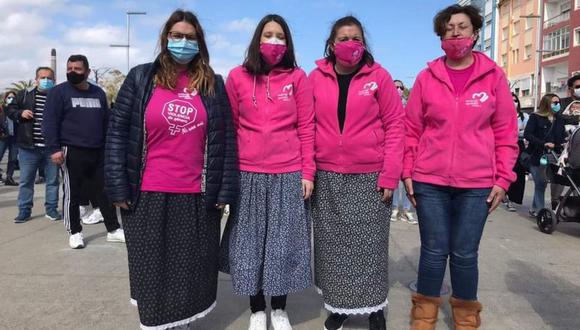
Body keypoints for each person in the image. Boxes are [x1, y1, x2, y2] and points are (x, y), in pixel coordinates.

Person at [104, 9, 238, 329]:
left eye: (190, 37)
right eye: (176, 36)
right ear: (165, 39)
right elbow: (117, 134)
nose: (182, 42)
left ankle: (182, 320)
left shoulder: (213, 85)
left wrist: (224, 190)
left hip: (196, 196)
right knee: (151, 270)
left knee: (190, 271)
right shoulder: (140, 78)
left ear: (200, 43)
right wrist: (116, 185)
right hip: (146, 194)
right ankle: (153, 323)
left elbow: (226, 141)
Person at [403, 5, 519, 329]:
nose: (456, 34)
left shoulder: (493, 77)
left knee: (465, 254)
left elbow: (506, 132)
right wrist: (408, 172)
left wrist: (503, 178)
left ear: (475, 33)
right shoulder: (427, 77)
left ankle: (466, 317)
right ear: (441, 36)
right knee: (434, 250)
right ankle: (424, 315)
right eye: (449, 28)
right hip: (430, 181)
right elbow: (411, 129)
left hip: (477, 184)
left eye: (462, 27)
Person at [309, 15, 404, 330]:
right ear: (332, 44)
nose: (351, 44)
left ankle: (374, 309)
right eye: (344, 38)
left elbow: (395, 126)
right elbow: (306, 127)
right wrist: (307, 171)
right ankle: (339, 307)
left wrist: (390, 175)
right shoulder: (315, 78)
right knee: (332, 246)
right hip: (328, 175)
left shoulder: (380, 77)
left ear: (364, 44)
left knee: (370, 247)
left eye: (357, 39)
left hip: (370, 175)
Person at [223, 14, 314, 330]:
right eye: (268, 35)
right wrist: (229, 175)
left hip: (288, 172)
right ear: (257, 40)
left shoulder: (298, 78)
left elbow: (306, 127)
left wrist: (308, 172)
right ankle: (257, 309)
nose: (274, 42)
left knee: (283, 242)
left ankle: (279, 307)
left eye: (280, 36)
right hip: (247, 173)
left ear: (287, 43)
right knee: (249, 243)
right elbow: (230, 128)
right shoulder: (236, 77)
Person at [42, 55, 124, 248]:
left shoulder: (98, 93)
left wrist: (109, 148)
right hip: (71, 150)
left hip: (98, 150)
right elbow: (49, 122)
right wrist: (54, 149)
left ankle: (113, 229)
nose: (72, 72)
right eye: (69, 68)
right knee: (73, 193)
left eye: (77, 69)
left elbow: (106, 122)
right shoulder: (58, 92)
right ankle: (75, 232)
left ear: (87, 72)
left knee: (104, 192)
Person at [5, 67, 61, 223]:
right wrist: (19, 113)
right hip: (28, 147)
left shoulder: (58, 95)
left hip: (52, 148)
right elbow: (9, 108)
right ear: (36, 79)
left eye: (49, 78)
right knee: (26, 181)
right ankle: (24, 211)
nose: (46, 80)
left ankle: (51, 209)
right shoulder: (24, 94)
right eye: (42, 77)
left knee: (53, 181)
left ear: (54, 80)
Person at [524, 93, 566, 217]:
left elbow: (562, 135)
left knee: (546, 182)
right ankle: (540, 212)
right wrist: (543, 143)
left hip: (554, 156)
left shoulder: (559, 119)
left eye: (558, 102)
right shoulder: (535, 117)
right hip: (537, 155)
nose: (557, 105)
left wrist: (563, 143)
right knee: (540, 183)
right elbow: (527, 134)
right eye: (555, 102)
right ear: (547, 103)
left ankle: (535, 207)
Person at [391, 79, 417, 224]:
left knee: (408, 180)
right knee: (394, 181)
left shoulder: (409, 105)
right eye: (396, 87)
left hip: (407, 148)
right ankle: (395, 208)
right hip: (394, 147)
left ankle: (407, 210)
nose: (399, 89)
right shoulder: (388, 104)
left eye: (401, 87)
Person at [505, 92, 529, 211]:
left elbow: (526, 131)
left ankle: (514, 198)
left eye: (515, 100)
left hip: (519, 145)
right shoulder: (503, 115)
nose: (514, 102)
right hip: (506, 144)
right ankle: (507, 197)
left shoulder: (524, 116)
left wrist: (516, 131)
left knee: (519, 172)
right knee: (508, 170)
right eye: (511, 100)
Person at [0, 92, 18, 186]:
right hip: (3, 137)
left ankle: (9, 177)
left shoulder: (16, 110)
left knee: (13, 159)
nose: (11, 99)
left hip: (14, 137)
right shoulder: (1, 108)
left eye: (13, 97)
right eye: (9, 97)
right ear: (5, 98)